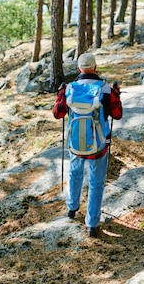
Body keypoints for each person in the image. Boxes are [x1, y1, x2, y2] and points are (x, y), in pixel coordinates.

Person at [52, 52, 122, 238]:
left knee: (75, 172)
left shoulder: (70, 88)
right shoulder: (105, 89)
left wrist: (61, 95)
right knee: (96, 182)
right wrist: (116, 95)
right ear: (96, 68)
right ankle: (92, 224)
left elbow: (58, 114)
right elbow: (117, 114)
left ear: (78, 69)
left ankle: (72, 208)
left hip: (75, 143)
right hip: (99, 144)